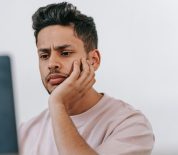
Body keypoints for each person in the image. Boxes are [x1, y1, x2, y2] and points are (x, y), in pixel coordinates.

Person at [19, 2, 155, 155]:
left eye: (65, 53)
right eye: (44, 56)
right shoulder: (24, 134)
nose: (51, 64)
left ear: (94, 60)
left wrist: (57, 104)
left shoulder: (129, 124)